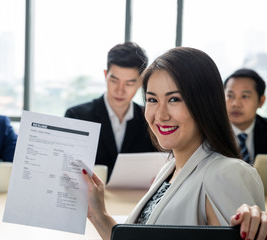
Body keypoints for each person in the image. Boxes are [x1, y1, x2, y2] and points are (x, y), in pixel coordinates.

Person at [82, 47, 267, 240]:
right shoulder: (170, 170)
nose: (160, 115)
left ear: (204, 104)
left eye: (174, 99)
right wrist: (98, 214)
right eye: (152, 99)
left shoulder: (227, 173)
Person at [65, 42, 155, 180]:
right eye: (114, 80)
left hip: (135, 199)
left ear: (141, 82)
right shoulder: (77, 117)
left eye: (129, 83)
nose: (120, 90)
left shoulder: (149, 118)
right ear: (105, 75)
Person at [224, 68, 267, 164]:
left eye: (244, 96)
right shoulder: (209, 132)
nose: (236, 104)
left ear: (261, 101)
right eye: (230, 96)